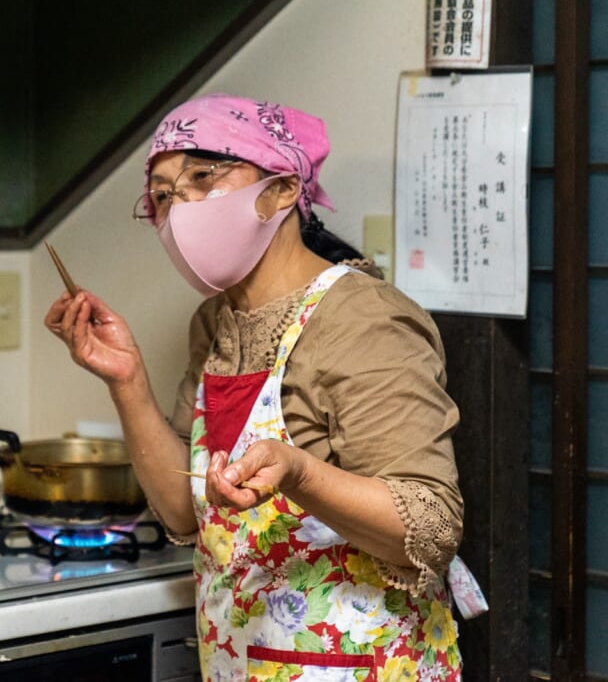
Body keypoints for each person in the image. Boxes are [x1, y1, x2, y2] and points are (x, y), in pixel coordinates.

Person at [45, 93, 466, 680]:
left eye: (201, 177)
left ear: (283, 188)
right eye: (162, 195)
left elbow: (430, 526)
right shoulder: (214, 324)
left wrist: (298, 471)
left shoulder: (364, 318)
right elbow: (185, 515)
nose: (178, 207)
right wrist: (128, 381)